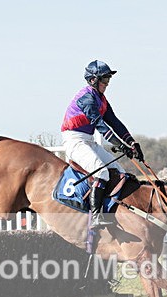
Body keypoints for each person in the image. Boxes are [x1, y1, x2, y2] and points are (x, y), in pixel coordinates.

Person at [61, 60, 143, 227]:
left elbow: (114, 122)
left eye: (108, 80)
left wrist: (132, 142)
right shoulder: (86, 98)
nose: (107, 84)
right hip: (74, 140)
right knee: (102, 173)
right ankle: (96, 217)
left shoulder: (101, 99)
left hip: (88, 140)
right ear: (93, 80)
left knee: (118, 171)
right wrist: (121, 146)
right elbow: (101, 126)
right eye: (104, 80)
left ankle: (113, 211)